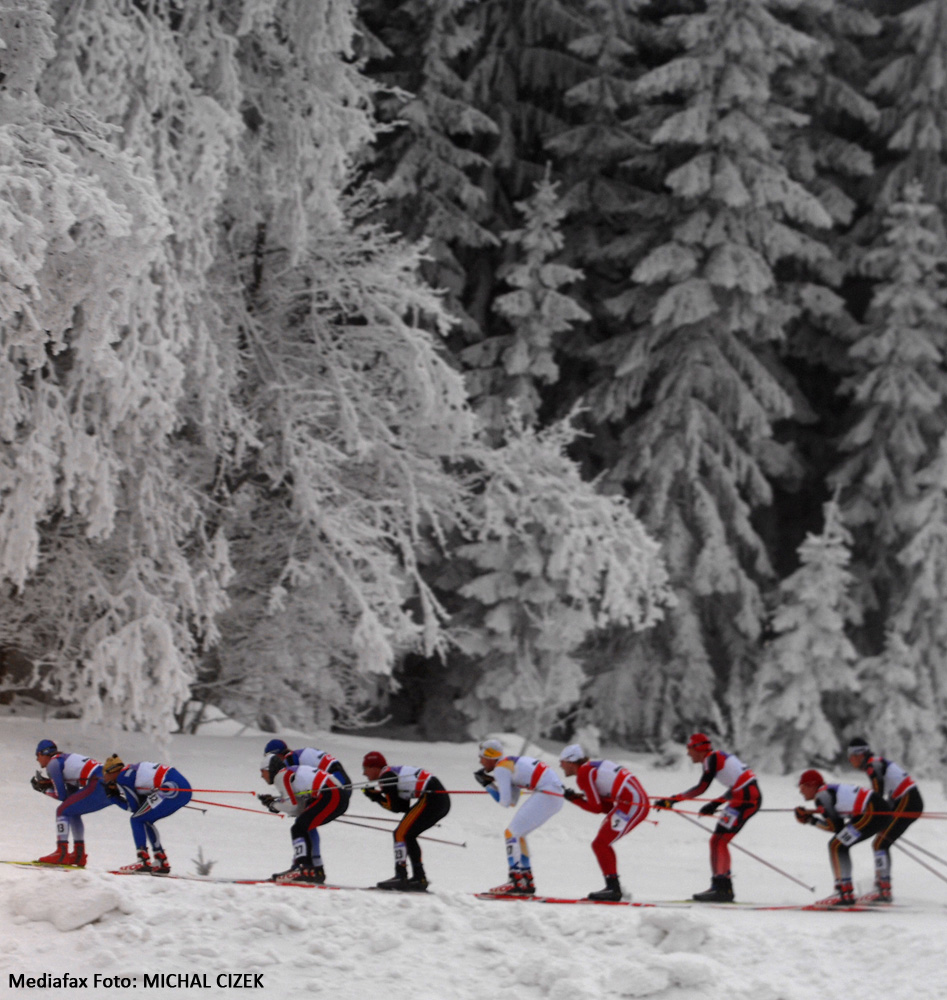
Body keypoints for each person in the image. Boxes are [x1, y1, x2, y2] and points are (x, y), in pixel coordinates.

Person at [653, 732, 762, 902]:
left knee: (719, 841)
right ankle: (719, 886)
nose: (688, 753)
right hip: (742, 799)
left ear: (699, 748)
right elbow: (739, 784)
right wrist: (715, 804)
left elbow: (700, 788)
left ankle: (723, 888)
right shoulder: (717, 757)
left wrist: (672, 800)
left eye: (689, 749)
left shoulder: (711, 759)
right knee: (717, 841)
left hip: (745, 801)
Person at [558, 743, 650, 901]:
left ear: (571, 762)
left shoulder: (584, 773)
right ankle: (613, 887)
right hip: (632, 802)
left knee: (600, 844)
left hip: (632, 803)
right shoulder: (590, 768)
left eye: (562, 762)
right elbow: (606, 808)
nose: (560, 766)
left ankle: (613, 889)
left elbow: (596, 808)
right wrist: (579, 798)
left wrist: (573, 799)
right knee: (601, 844)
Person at [474, 738, 564, 896]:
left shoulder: (501, 768)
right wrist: (491, 784)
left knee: (511, 833)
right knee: (518, 834)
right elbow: (512, 801)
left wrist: (487, 785)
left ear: (489, 757)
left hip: (547, 794)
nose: (480, 761)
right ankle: (526, 880)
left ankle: (515, 880)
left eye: (481, 757)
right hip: (553, 795)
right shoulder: (508, 763)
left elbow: (504, 802)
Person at [796, 768, 890, 906]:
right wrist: (811, 818)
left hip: (872, 811)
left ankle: (843, 892)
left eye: (802, 787)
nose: (800, 791)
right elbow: (839, 828)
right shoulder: (827, 791)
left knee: (836, 845)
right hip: (876, 809)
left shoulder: (822, 796)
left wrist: (811, 821)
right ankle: (877, 889)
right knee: (838, 845)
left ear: (812, 785)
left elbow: (835, 827)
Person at [846, 736, 923, 903]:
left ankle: (883, 888)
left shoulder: (872, 765)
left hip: (908, 800)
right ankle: (882, 886)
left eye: (851, 755)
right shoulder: (875, 763)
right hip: (905, 800)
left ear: (860, 754)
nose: (849, 759)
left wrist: (864, 812)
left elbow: (877, 795)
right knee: (881, 841)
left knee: (880, 843)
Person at [361, 750, 451, 892]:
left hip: (432, 798)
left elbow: (395, 807)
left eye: (365, 768)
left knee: (400, 834)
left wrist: (375, 797)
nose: (364, 773)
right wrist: (378, 796)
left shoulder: (386, 777)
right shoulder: (390, 774)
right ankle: (419, 878)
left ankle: (401, 876)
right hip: (439, 799)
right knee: (407, 835)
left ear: (374, 767)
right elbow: (402, 807)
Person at [258, 752, 348, 883]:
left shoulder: (281, 775)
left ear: (270, 769)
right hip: (336, 794)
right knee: (304, 825)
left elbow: (292, 805)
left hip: (331, 794)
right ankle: (314, 870)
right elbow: (299, 808)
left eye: (263, 772)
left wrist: (274, 805)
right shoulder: (288, 772)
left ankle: (303, 868)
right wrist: (276, 804)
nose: (262, 776)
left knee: (299, 828)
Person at [100, 754, 193, 874]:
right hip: (182, 789)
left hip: (170, 788)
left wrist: (113, 796)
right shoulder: (129, 772)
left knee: (136, 819)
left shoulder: (123, 778)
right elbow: (140, 806)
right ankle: (160, 860)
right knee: (144, 819)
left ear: (112, 772)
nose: (104, 779)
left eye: (104, 774)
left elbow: (133, 807)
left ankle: (143, 860)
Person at [31, 739, 113, 867]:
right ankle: (79, 854)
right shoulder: (63, 760)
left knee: (61, 811)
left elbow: (61, 795)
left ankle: (61, 853)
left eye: (37, 755)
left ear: (43, 753)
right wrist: (50, 785)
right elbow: (69, 798)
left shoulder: (53, 764)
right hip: (107, 785)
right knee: (71, 811)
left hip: (98, 783)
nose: (37, 759)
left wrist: (44, 790)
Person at [263, 738, 353, 811]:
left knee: (304, 813)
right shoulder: (296, 755)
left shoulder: (290, 760)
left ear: (277, 755)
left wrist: (278, 802)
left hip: (337, 787)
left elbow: (291, 792)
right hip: (342, 783)